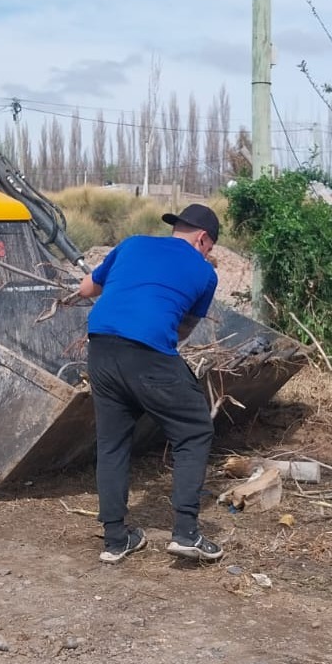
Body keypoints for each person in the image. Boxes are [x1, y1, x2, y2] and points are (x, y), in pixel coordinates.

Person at [78, 203, 225, 564]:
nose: (209, 253)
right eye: (210, 247)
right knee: (194, 430)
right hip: (148, 353)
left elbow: (85, 289)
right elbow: (183, 329)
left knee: (112, 443)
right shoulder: (205, 274)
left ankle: (115, 540)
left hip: (100, 347)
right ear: (203, 239)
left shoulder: (131, 244)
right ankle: (186, 534)